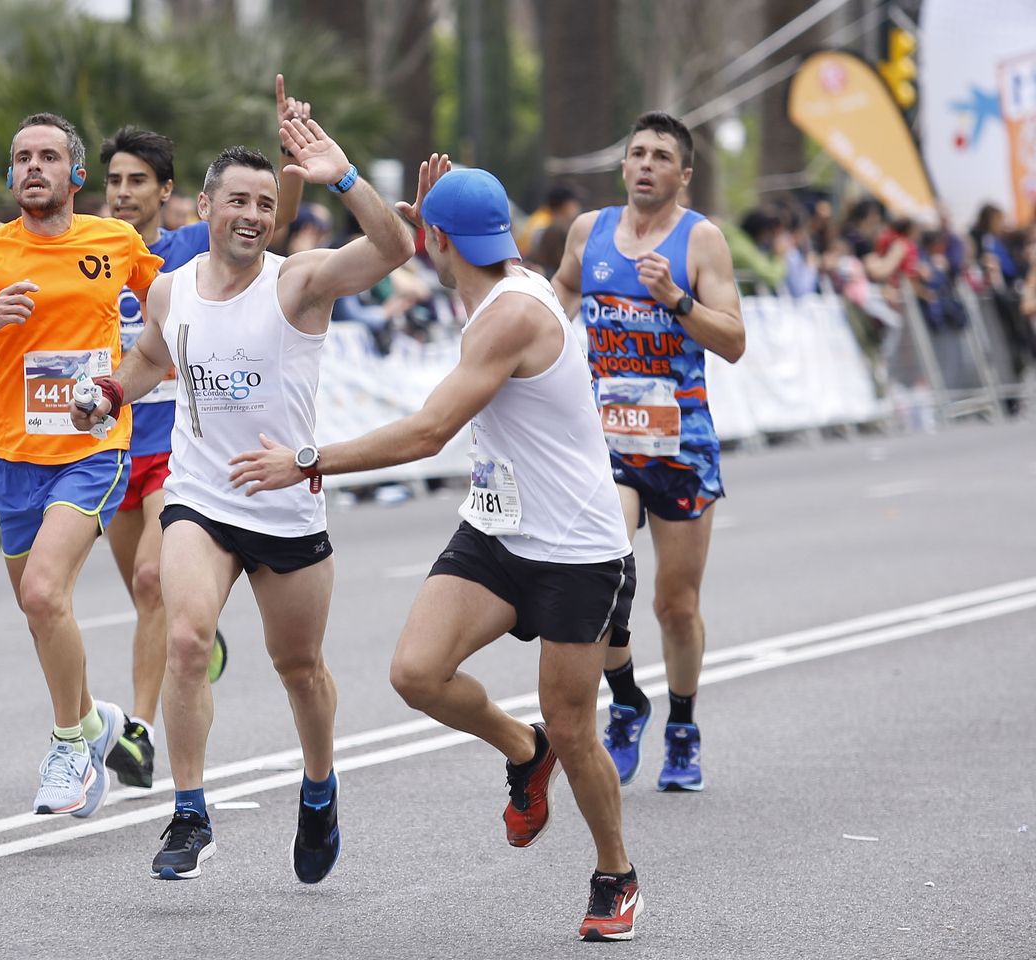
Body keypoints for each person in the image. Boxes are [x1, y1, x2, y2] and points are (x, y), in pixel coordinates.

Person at [230, 161, 647, 941]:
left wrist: (307, 459)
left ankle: (615, 874)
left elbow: (427, 433)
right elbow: (436, 243)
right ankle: (523, 753)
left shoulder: (510, 316)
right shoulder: (490, 280)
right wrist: (412, 205)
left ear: (438, 240)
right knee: (416, 673)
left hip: (577, 549)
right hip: (498, 529)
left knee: (574, 724)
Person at [72, 117, 414, 883]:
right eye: (239, 201)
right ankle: (189, 812)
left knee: (299, 667)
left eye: (266, 202)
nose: (254, 216)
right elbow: (151, 361)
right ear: (203, 207)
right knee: (187, 639)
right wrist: (106, 395)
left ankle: (319, 787)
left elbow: (397, 250)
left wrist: (344, 175)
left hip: (287, 504)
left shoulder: (299, 281)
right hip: (201, 497)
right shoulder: (169, 290)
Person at [0, 112, 161, 818]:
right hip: (13, 460)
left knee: (47, 594)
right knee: (38, 612)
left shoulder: (116, 241)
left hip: (93, 450)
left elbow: (177, 305)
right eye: (22, 157)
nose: (33, 167)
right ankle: (93, 723)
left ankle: (66, 750)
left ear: (76, 175)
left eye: (49, 156)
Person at [90, 77, 308, 789]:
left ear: (172, 193)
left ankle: (142, 730)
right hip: (114, 442)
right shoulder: (86, 248)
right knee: (147, 592)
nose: (123, 193)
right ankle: (198, 628)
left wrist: (292, 159)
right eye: (114, 180)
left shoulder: (191, 243)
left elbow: (267, 227)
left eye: (138, 181)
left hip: (181, 450)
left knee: (155, 581)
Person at [552, 111, 745, 793]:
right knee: (603, 580)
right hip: (606, 442)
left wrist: (676, 299)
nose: (646, 164)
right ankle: (627, 698)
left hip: (680, 445)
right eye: (637, 152)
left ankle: (683, 726)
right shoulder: (590, 232)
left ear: (683, 174)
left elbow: (733, 340)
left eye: (661, 156)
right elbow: (562, 295)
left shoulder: (703, 241)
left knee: (676, 604)